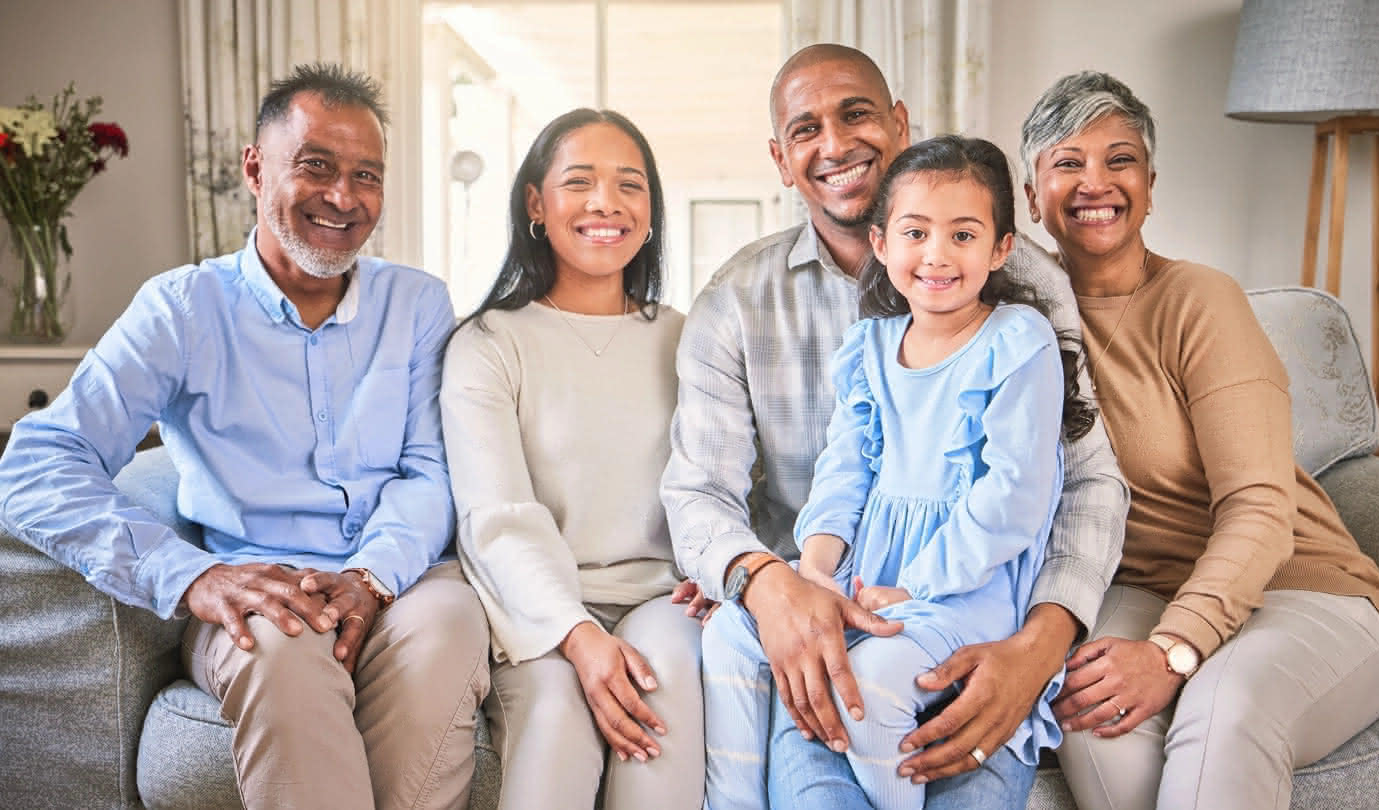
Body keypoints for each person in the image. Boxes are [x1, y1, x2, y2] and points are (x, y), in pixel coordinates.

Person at [0, 64, 490, 809]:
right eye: (317, 166)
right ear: (255, 170)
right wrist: (186, 573)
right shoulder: (182, 309)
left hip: (397, 582)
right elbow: (36, 462)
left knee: (452, 621)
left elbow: (429, 471)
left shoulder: (417, 303)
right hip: (256, 589)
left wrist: (371, 577)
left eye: (368, 175)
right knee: (280, 645)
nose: (343, 197)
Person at [662, 43, 1129, 809]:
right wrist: (768, 580)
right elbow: (701, 496)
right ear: (782, 160)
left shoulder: (1022, 298)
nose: (837, 144)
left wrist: (1038, 646)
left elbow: (1085, 482)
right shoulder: (740, 304)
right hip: (830, 608)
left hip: (971, 614)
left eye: (855, 114)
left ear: (899, 124)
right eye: (806, 129)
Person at [1018, 71, 1379, 810]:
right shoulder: (1013, 321)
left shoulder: (1199, 301)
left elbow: (1262, 509)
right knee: (1090, 710)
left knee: (1225, 708)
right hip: (1139, 588)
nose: (1095, 181)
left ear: (1151, 184)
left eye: (1120, 159)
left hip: (1300, 588)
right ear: (1032, 194)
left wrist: (1171, 651)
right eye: (1067, 162)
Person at [442, 108, 704, 810]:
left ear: (650, 211)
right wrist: (578, 635)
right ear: (536, 202)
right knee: (557, 716)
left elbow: (721, 478)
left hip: (664, 597)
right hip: (538, 609)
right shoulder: (489, 342)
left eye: (629, 185)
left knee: (663, 687)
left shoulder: (688, 338)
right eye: (579, 181)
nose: (605, 204)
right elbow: (497, 517)